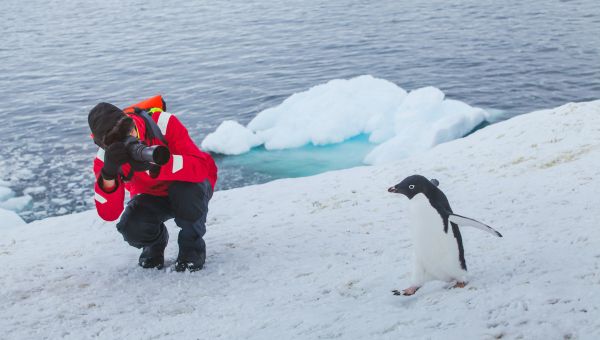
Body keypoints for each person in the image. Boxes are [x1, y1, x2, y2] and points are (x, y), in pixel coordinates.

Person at [88, 96, 218, 272]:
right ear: (104, 145)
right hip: (152, 196)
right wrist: (108, 174)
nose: (131, 138)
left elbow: (201, 168)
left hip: (190, 186)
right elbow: (109, 214)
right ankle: (155, 244)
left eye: (130, 131)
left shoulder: (163, 124)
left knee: (187, 195)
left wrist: (158, 166)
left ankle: (191, 248)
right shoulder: (106, 158)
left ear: (131, 121)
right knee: (131, 226)